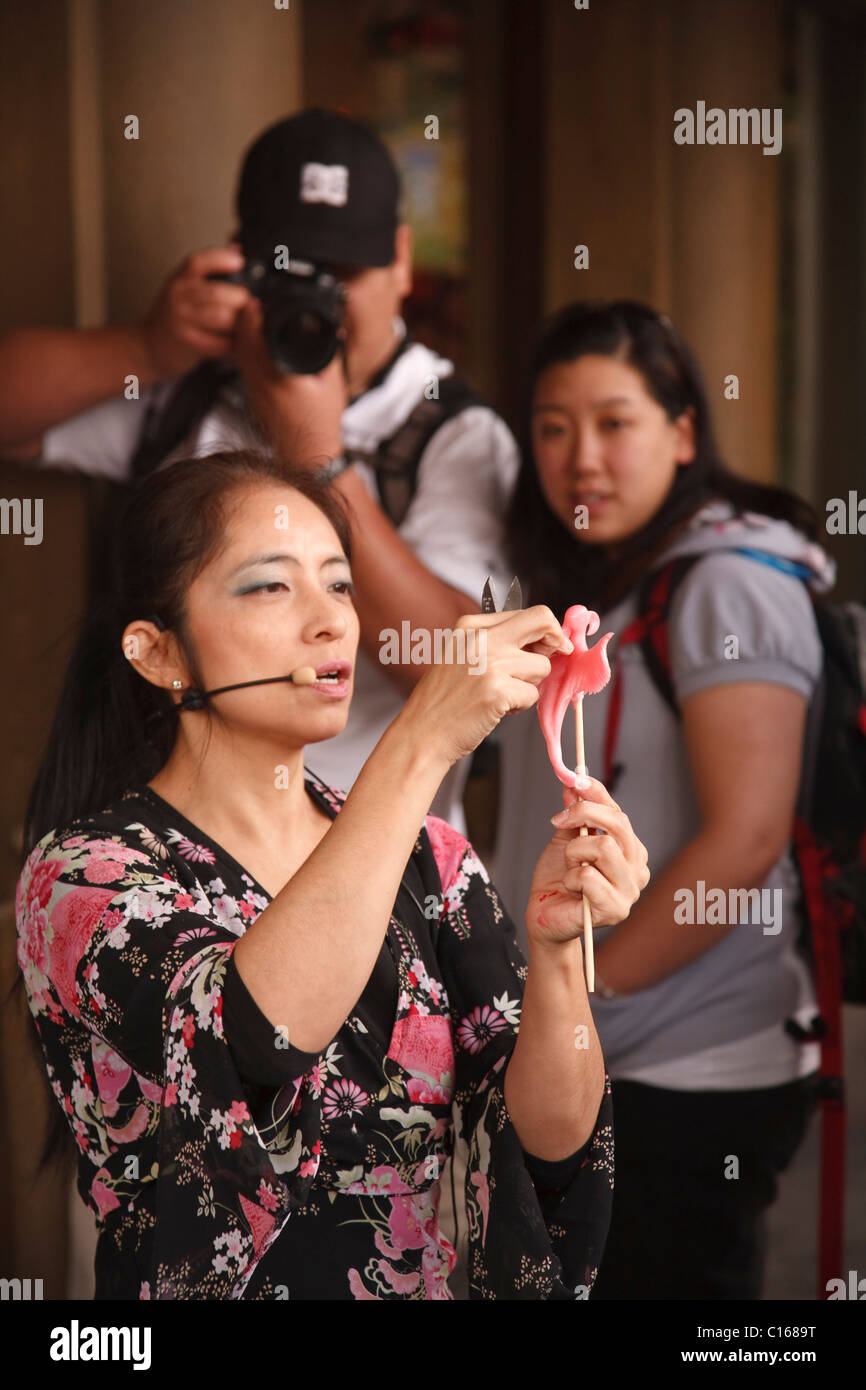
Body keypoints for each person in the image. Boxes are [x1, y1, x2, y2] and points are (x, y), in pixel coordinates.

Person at [15, 447, 650, 1300]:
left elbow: (551, 1149)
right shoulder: (82, 877)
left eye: (341, 585)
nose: (329, 622)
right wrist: (421, 739)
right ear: (159, 653)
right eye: (271, 586)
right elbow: (256, 1040)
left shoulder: (433, 860)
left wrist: (560, 953)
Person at [0, 107, 519, 836]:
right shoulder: (193, 388)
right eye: (292, 272)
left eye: (344, 274)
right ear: (240, 262)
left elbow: (452, 663)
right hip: (179, 848)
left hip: (377, 851)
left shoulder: (450, 429)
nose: (322, 303)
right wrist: (144, 347)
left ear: (402, 261)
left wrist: (319, 458)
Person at [493, 300, 835, 1300]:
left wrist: (577, 996)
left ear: (683, 433)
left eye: (614, 422)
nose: (580, 459)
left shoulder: (727, 584)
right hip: (604, 1054)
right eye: (552, 428)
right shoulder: (602, 582)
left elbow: (746, 839)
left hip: (688, 1069)